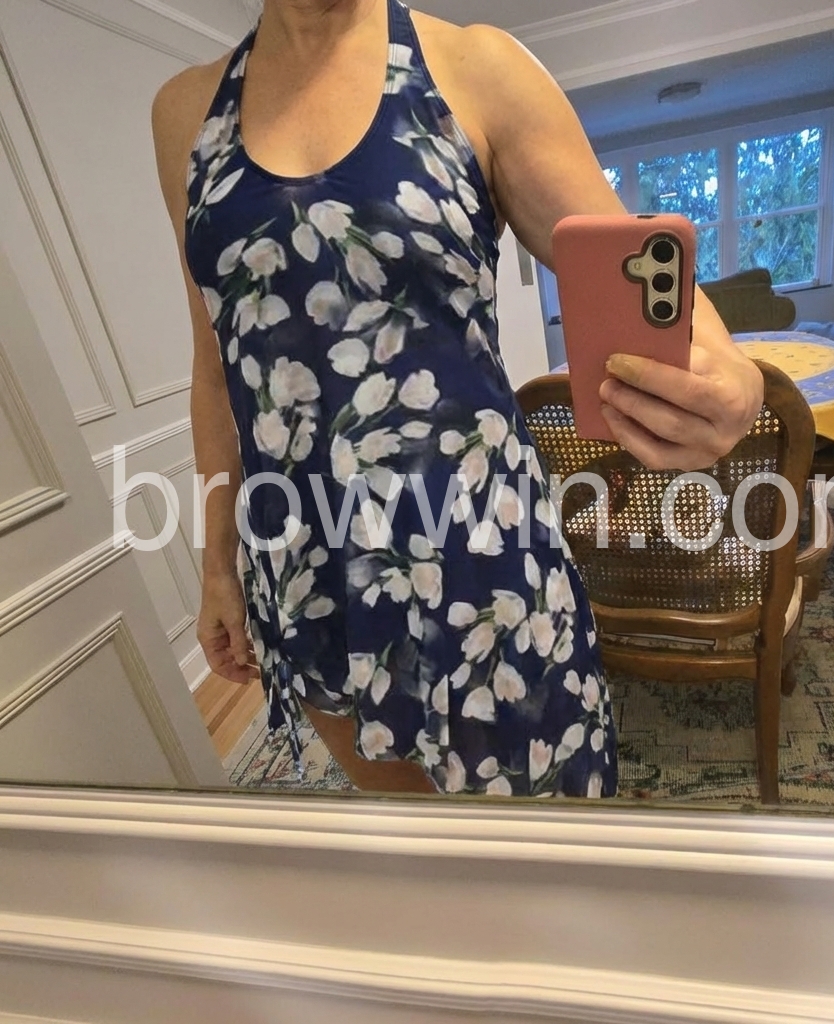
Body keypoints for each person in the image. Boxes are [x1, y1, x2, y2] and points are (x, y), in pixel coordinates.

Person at [151, 0, 764, 798]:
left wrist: (731, 372)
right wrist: (218, 567)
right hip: (306, 568)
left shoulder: (476, 70)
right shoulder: (184, 115)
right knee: (411, 841)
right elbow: (215, 368)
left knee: (544, 839)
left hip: (481, 566)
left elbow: (631, 261)